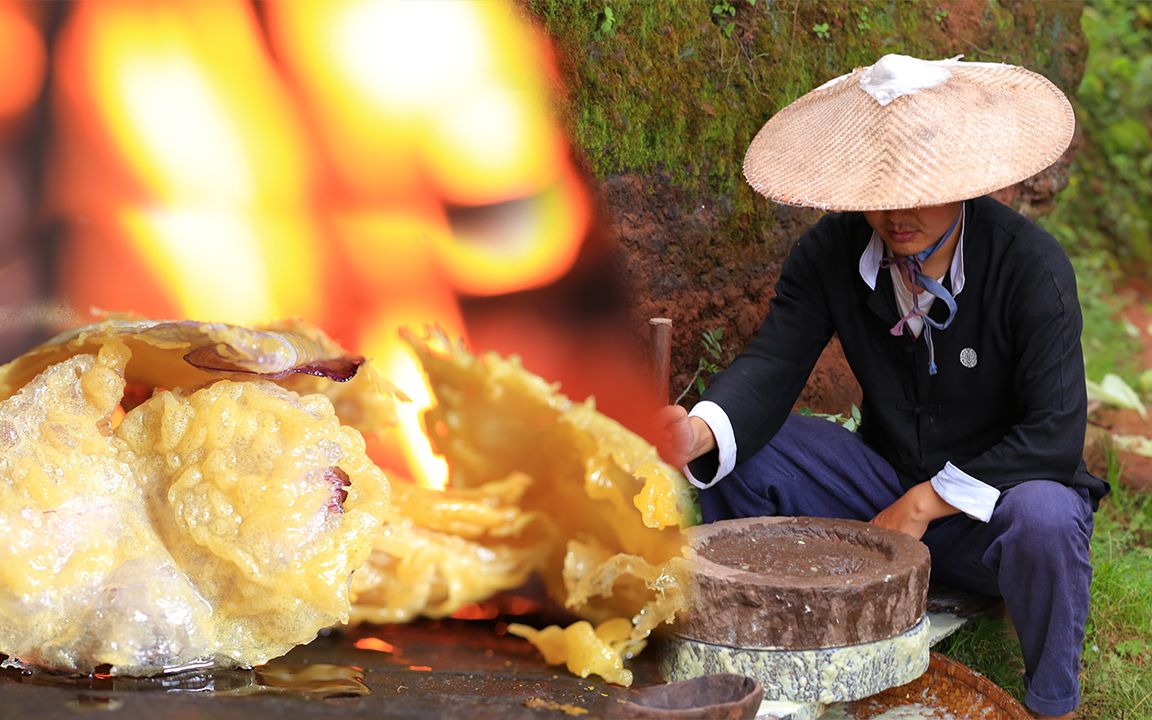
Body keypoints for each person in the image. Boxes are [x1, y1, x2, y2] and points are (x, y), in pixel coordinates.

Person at [658, 54, 1109, 720]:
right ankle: (754, 648)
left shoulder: (1030, 269)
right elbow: (774, 364)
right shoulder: (830, 252)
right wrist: (697, 429)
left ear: (965, 179)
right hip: (881, 495)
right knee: (739, 447)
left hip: (992, 515)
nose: (896, 214)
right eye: (878, 191)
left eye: (919, 188)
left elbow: (1054, 434)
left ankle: (1052, 702)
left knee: (1044, 517)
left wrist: (928, 503)